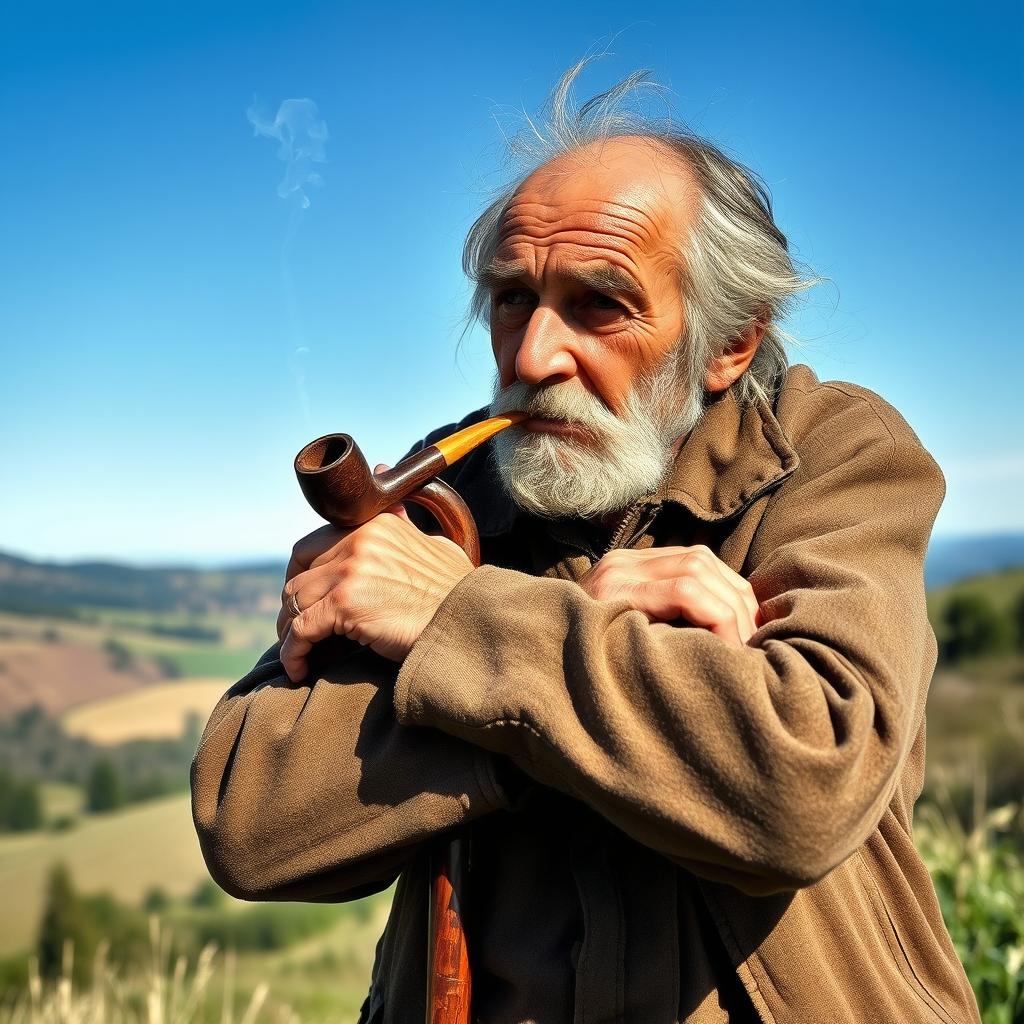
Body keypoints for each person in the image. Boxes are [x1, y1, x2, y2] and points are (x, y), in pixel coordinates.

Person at [191, 64, 981, 1023]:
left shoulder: (832, 453)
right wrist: (574, 649)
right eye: (514, 299)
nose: (531, 358)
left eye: (600, 304)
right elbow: (251, 821)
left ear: (729, 342)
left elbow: (801, 781)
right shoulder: (447, 497)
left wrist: (462, 626)